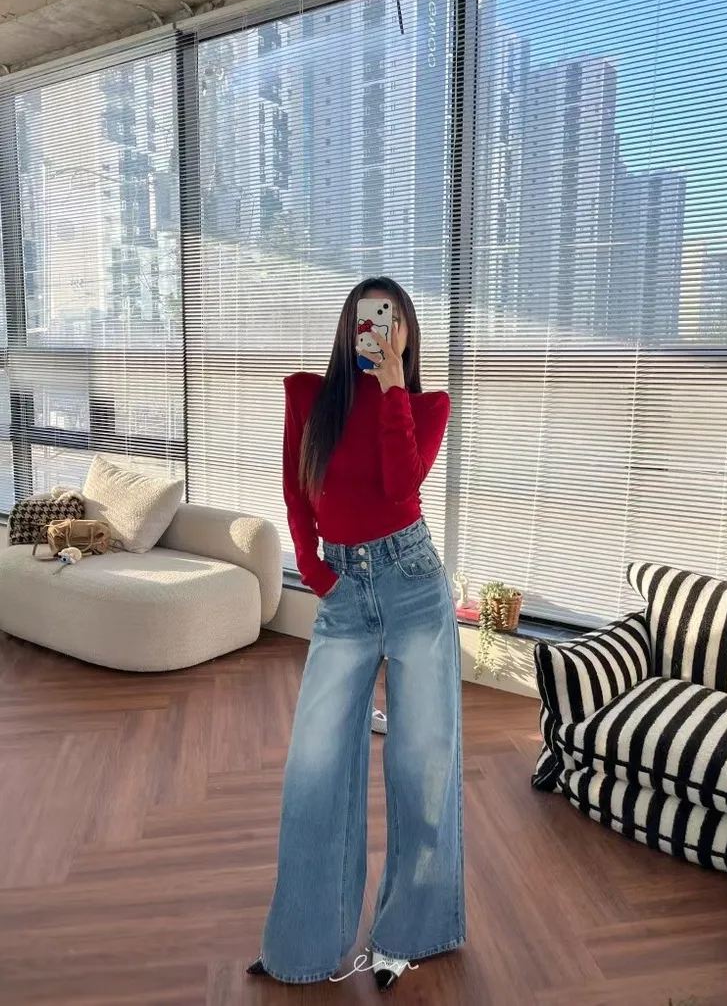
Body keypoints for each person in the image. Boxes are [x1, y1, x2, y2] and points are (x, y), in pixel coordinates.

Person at [247, 276, 465, 990]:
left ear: (406, 334)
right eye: (369, 319)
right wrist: (316, 572)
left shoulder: (427, 406)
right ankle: (301, 945)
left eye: (391, 321)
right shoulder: (308, 397)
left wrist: (393, 389)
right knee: (315, 766)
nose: (378, 330)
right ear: (348, 327)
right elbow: (295, 492)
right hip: (343, 591)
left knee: (421, 763)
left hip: (413, 583)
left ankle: (410, 934)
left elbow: (402, 488)